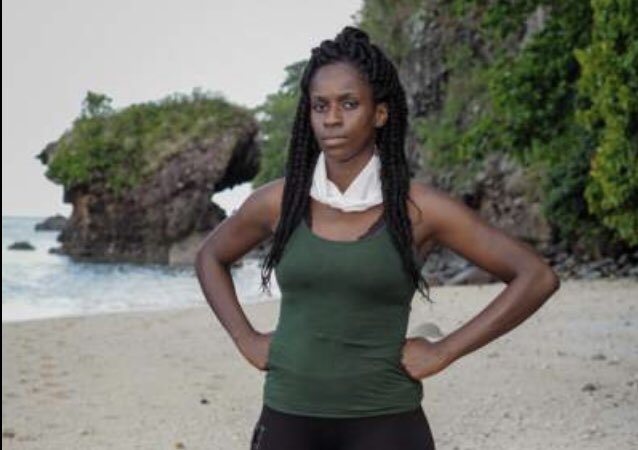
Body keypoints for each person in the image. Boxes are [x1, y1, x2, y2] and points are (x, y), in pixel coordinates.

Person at [194, 26, 560, 450]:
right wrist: (246, 339)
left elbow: (536, 277)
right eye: (320, 105)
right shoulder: (279, 202)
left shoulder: (419, 209)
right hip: (288, 417)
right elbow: (210, 257)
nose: (332, 119)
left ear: (380, 113)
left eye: (349, 104)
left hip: (386, 421)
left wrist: (444, 351)